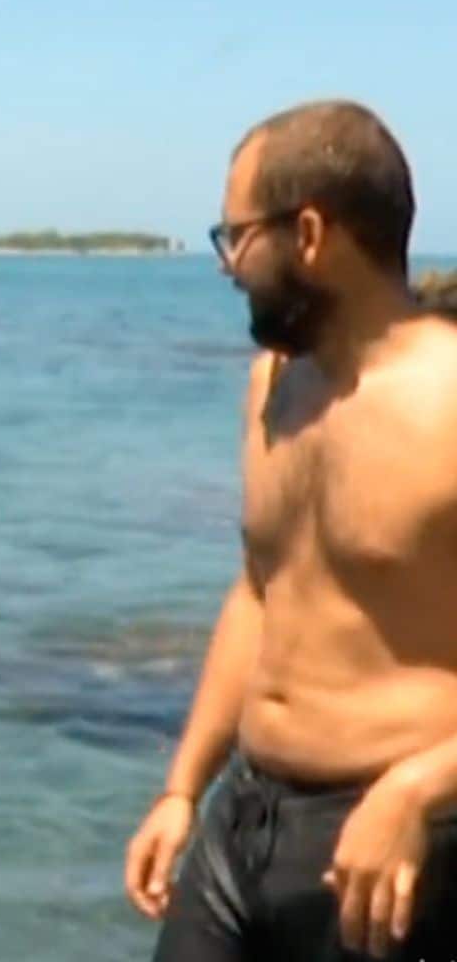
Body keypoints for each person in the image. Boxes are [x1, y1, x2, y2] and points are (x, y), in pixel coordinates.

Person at [124, 100, 457, 961]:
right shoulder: (275, 382)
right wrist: (181, 790)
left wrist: (421, 790)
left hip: (394, 846)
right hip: (243, 821)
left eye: (236, 236)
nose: (231, 265)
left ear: (308, 232)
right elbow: (261, 589)